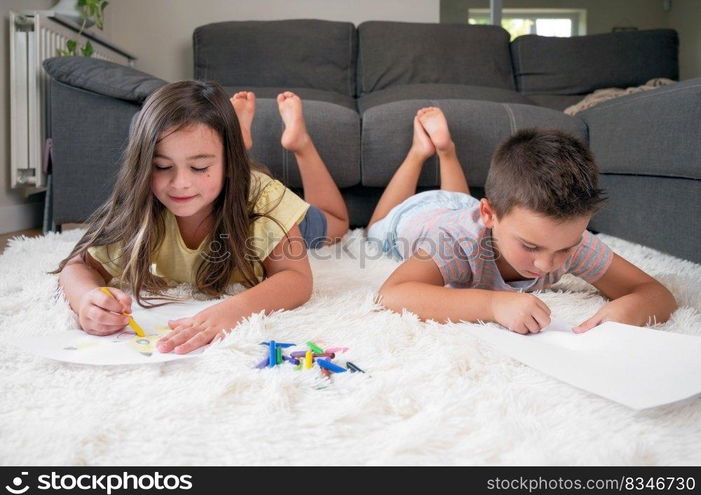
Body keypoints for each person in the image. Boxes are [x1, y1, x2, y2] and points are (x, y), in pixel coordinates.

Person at [52, 81, 314, 354]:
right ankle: (239, 135)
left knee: (334, 222)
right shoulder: (141, 204)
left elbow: (297, 277)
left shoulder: (264, 198)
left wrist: (235, 310)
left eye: (199, 167)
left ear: (229, 163)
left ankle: (299, 144)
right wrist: (86, 300)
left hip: (284, 217)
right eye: (162, 166)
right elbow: (77, 267)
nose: (180, 183)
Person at [367, 107, 677, 334]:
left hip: (464, 207)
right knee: (374, 227)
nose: (546, 265)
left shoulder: (566, 238)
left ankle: (447, 152)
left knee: (460, 202)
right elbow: (392, 294)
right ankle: (421, 152)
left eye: (565, 249)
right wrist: (492, 305)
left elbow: (654, 292)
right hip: (413, 219)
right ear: (489, 215)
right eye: (530, 246)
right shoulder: (454, 240)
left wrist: (629, 309)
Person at [230, 90, 349, 248]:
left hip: (244, 200)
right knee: (338, 223)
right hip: (264, 211)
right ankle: (302, 144)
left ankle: (232, 147)